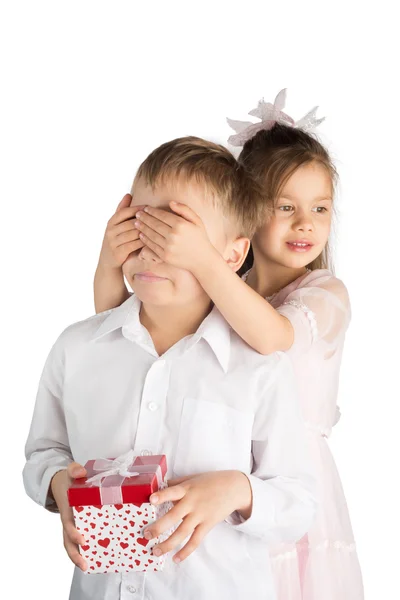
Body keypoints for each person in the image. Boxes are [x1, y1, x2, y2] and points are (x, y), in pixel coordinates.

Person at [93, 90, 364, 599]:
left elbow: (273, 340)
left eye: (320, 208)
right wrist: (112, 262)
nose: (305, 222)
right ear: (247, 213)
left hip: (286, 479)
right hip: (213, 465)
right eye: (284, 206)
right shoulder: (222, 290)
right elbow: (116, 331)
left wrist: (203, 261)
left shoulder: (324, 294)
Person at [23, 136, 316, 600]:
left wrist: (236, 490)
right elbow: (43, 453)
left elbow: (299, 500)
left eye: (175, 229)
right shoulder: (77, 349)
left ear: (232, 256)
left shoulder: (257, 369)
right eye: (141, 224)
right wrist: (60, 485)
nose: (153, 246)